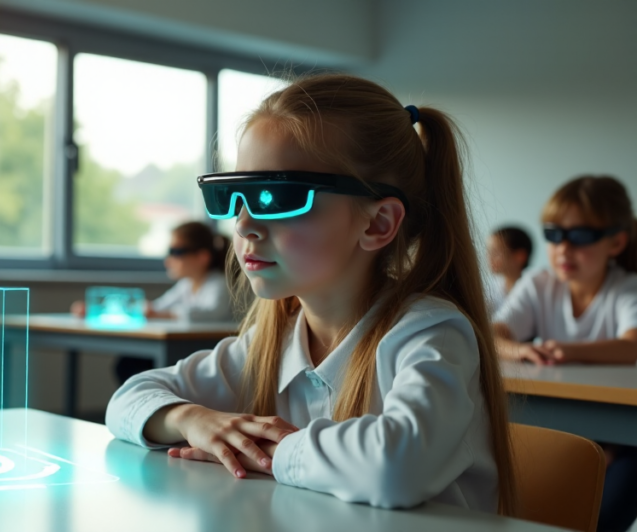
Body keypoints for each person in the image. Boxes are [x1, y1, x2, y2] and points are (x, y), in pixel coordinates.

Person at [105, 73, 516, 514]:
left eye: (274, 196)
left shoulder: (432, 333)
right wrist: (195, 420)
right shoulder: (272, 341)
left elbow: (396, 466)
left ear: (377, 223)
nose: (242, 225)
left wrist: (268, 452)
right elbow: (128, 400)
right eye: (233, 195)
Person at [493, 175, 637, 532]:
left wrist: (564, 349)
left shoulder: (626, 287)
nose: (563, 248)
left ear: (616, 241)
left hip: (623, 433)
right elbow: (493, 333)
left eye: (582, 236)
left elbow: (632, 345)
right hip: (557, 424)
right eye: (554, 235)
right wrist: (519, 349)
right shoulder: (540, 283)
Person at [72, 221, 234, 383]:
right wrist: (98, 309)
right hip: (188, 353)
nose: (168, 260)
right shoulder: (186, 285)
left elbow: (211, 313)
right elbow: (156, 307)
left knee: (136, 367)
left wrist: (160, 314)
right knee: (127, 364)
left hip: (207, 358)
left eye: (176, 252)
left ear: (202, 257)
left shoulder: (219, 284)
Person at [485, 226, 533, 314]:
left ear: (520, 256)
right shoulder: (489, 290)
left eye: (496, 252)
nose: (489, 258)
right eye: (489, 252)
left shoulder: (533, 289)